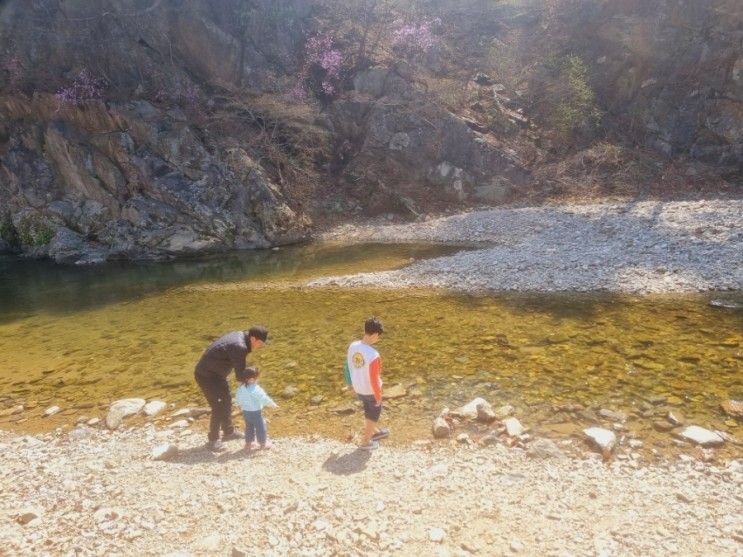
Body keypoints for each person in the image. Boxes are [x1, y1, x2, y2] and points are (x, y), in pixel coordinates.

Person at [194, 325, 269, 452]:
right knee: (219, 406)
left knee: (226, 400)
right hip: (206, 376)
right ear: (253, 339)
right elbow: (240, 376)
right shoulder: (240, 346)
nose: (261, 346)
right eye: (260, 343)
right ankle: (213, 440)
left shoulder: (242, 337)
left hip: (217, 375)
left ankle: (229, 432)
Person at [344, 316, 389, 450]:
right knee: (374, 414)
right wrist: (378, 395)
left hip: (359, 388)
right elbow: (374, 378)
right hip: (370, 390)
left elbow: (347, 366)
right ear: (375, 334)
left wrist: (349, 383)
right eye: (378, 337)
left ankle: (374, 432)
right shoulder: (373, 354)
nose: (378, 339)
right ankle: (365, 442)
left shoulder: (353, 346)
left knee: (368, 409)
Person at [235, 366, 278, 451]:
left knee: (249, 427)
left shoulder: (241, 387)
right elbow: (263, 398)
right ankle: (263, 443)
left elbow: (238, 397)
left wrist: (239, 405)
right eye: (257, 378)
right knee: (260, 427)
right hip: (255, 412)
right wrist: (272, 404)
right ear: (252, 379)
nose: (257, 380)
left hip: (246, 412)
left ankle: (248, 444)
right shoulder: (255, 388)